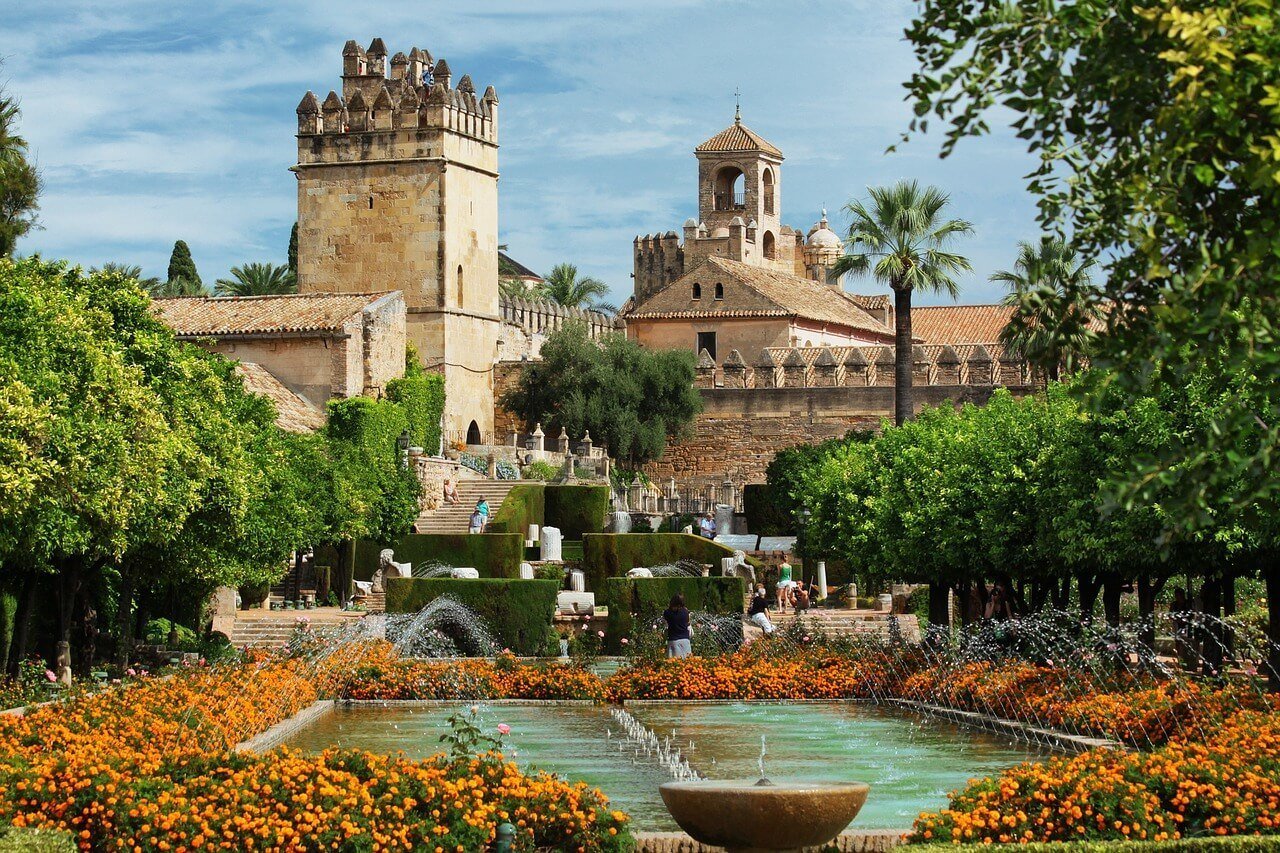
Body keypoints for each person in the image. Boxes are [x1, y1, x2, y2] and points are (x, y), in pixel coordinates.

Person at [663, 593, 692, 658]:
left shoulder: (667, 613)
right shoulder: (686, 612)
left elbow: (665, 622)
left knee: (673, 664)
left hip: (674, 641)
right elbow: (688, 622)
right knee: (687, 664)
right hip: (685, 641)